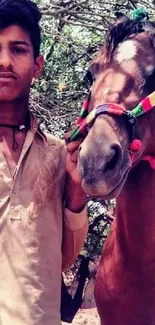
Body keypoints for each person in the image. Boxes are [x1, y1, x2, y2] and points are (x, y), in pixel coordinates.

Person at [0, 1, 88, 324]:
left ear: (38, 66)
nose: (4, 61)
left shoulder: (58, 156)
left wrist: (77, 190)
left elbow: (62, 258)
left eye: (18, 50)